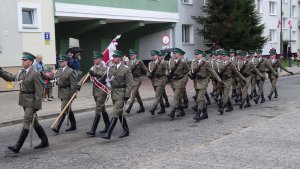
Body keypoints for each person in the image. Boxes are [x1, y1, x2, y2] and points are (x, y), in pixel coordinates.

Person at [0, 52, 49, 153]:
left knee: (26, 121)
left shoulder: (35, 73)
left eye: (25, 60)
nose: (23, 62)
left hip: (31, 102)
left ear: (30, 62)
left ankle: (17, 146)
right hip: (24, 101)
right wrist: (0, 71)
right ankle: (45, 140)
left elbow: (39, 91)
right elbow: (10, 78)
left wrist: (37, 106)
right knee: (34, 122)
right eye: (22, 60)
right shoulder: (22, 72)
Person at [77, 51, 111, 136]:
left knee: (98, 109)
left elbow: (102, 75)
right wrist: (79, 84)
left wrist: (95, 74)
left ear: (100, 59)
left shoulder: (104, 67)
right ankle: (108, 125)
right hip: (95, 91)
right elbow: (86, 76)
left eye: (96, 58)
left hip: (102, 91)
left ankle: (93, 130)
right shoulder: (93, 67)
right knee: (102, 108)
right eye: (94, 59)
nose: (94, 60)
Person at [102, 50, 133, 140]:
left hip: (122, 92)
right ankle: (126, 129)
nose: (113, 58)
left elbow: (130, 83)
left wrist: (127, 95)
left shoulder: (126, 69)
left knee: (115, 112)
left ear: (119, 58)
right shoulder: (111, 68)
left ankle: (108, 133)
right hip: (114, 92)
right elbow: (105, 77)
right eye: (113, 57)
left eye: (115, 57)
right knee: (119, 111)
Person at [189, 49, 222, 121]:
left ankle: (198, 114)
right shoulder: (193, 62)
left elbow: (213, 72)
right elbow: (191, 70)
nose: (196, 55)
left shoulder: (206, 63)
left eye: (198, 54)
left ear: (201, 55)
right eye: (195, 54)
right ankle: (205, 113)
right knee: (202, 99)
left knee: (199, 98)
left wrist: (219, 80)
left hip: (204, 81)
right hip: (197, 81)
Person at [51, 55, 77, 134]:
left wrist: (72, 95)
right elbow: (55, 78)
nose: (60, 63)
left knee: (63, 109)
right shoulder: (58, 70)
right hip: (61, 92)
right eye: (59, 61)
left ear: (66, 62)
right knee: (67, 109)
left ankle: (57, 127)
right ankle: (73, 125)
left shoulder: (70, 71)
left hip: (68, 93)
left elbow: (73, 85)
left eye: (62, 61)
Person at [167, 48, 190, 119]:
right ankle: (182, 110)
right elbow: (169, 69)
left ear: (179, 54)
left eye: (175, 53)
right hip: (173, 81)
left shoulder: (183, 62)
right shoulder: (170, 61)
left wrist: (181, 75)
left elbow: (187, 69)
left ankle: (173, 112)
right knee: (178, 97)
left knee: (176, 96)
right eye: (173, 53)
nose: (174, 54)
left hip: (180, 81)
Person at [125, 49, 149, 114]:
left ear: (135, 55)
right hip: (131, 80)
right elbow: (128, 70)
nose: (131, 56)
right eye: (130, 55)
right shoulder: (128, 62)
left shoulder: (139, 61)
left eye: (132, 55)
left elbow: (144, 68)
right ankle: (142, 107)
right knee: (137, 94)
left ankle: (129, 108)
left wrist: (149, 72)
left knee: (133, 94)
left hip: (137, 79)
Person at [148, 50, 168, 115]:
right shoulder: (150, 63)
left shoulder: (163, 62)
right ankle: (162, 108)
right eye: (152, 55)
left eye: (154, 55)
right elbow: (150, 71)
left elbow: (167, 70)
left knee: (157, 95)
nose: (153, 56)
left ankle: (153, 108)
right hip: (154, 81)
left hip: (161, 80)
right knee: (159, 95)